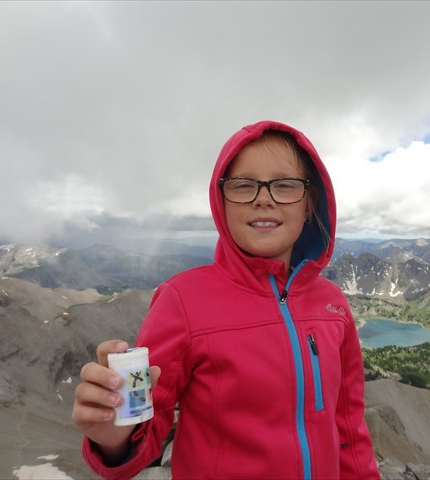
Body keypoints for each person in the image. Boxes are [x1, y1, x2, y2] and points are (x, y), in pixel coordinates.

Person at [72, 120, 381, 479]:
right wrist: (116, 439)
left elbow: (348, 427)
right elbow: (144, 424)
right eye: (243, 185)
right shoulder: (181, 300)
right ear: (221, 203)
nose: (263, 198)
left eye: (284, 185)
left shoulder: (333, 303)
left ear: (309, 204)